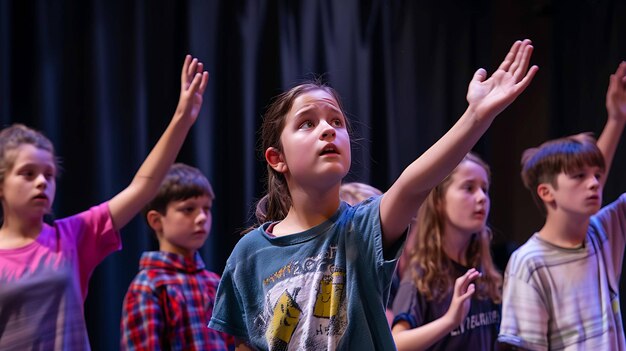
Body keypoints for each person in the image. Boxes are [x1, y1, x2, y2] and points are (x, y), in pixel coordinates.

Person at [208, 39, 538, 350]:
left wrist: (476, 116)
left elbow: (415, 183)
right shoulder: (249, 254)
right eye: (307, 123)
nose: (327, 129)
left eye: (336, 122)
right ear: (277, 159)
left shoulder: (364, 227)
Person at [0, 55, 208, 350]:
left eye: (49, 175)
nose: (41, 182)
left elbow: (143, 186)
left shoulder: (69, 237)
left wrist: (182, 119)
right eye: (27, 174)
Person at [497, 62, 626, 350]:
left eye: (596, 176)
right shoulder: (529, 263)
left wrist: (617, 119)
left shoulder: (601, 233)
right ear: (546, 192)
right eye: (579, 177)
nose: (594, 183)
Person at [392, 152, 502, 351]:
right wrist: (450, 321)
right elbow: (396, 343)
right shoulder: (422, 276)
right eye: (469, 188)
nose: (481, 198)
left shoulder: (484, 270)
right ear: (439, 201)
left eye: (485, 190)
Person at [121, 163, 234, 350]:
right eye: (188, 209)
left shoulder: (214, 283)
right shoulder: (149, 286)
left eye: (206, 209)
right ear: (156, 220)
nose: (202, 218)